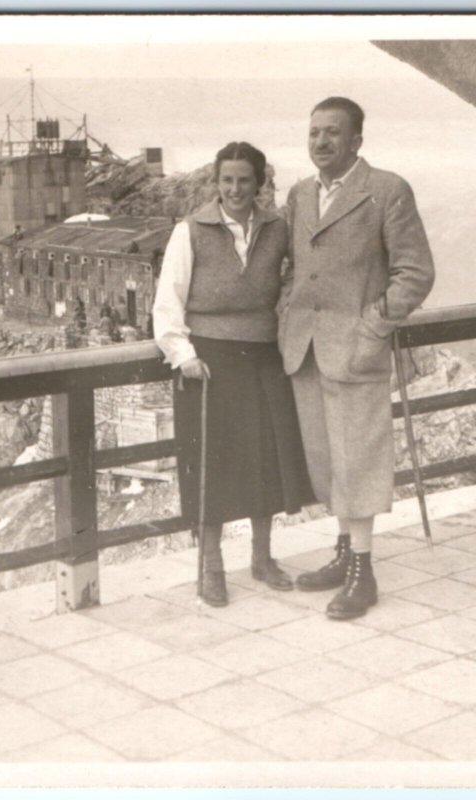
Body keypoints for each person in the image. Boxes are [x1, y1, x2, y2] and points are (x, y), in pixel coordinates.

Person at [279, 97, 435, 620]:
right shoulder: (300, 195)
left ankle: (363, 572)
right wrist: (287, 313)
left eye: (332, 133)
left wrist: (372, 327)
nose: (321, 142)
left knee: (359, 461)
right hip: (305, 349)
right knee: (327, 461)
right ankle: (344, 554)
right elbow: (293, 269)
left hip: (357, 349)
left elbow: (415, 273)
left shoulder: (386, 190)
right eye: (314, 133)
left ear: (357, 141)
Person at [153, 141, 314, 607]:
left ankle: (262, 558)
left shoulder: (277, 228)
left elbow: (298, 278)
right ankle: (211, 568)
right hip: (210, 363)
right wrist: (182, 353)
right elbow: (168, 301)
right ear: (216, 182)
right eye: (227, 180)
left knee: (265, 458)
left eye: (245, 180)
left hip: (263, 355)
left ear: (259, 183)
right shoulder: (191, 231)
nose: (235, 189)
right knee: (214, 464)